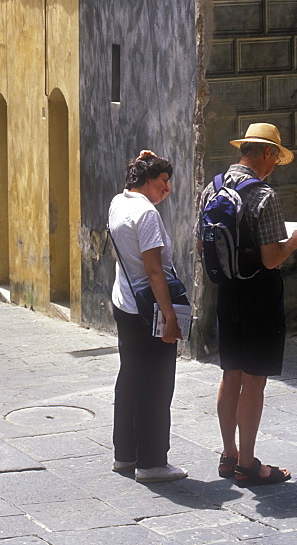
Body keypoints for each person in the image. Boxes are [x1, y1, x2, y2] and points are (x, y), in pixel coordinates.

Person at [196, 123, 297, 486]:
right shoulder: (264, 196)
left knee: (230, 375)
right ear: (266, 153)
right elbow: (270, 259)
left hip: (226, 292)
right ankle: (249, 464)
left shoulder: (211, 189)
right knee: (254, 381)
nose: (275, 164)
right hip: (259, 296)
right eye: (276, 156)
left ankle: (228, 455)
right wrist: (295, 242)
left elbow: (203, 244)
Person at [108, 150, 188, 483]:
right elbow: (155, 271)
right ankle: (152, 462)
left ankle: (125, 455)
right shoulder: (147, 214)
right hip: (150, 308)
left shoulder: (118, 202)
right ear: (147, 181)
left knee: (130, 379)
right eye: (163, 181)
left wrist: (143, 159)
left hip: (124, 303)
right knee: (156, 383)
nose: (167, 188)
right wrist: (169, 317)